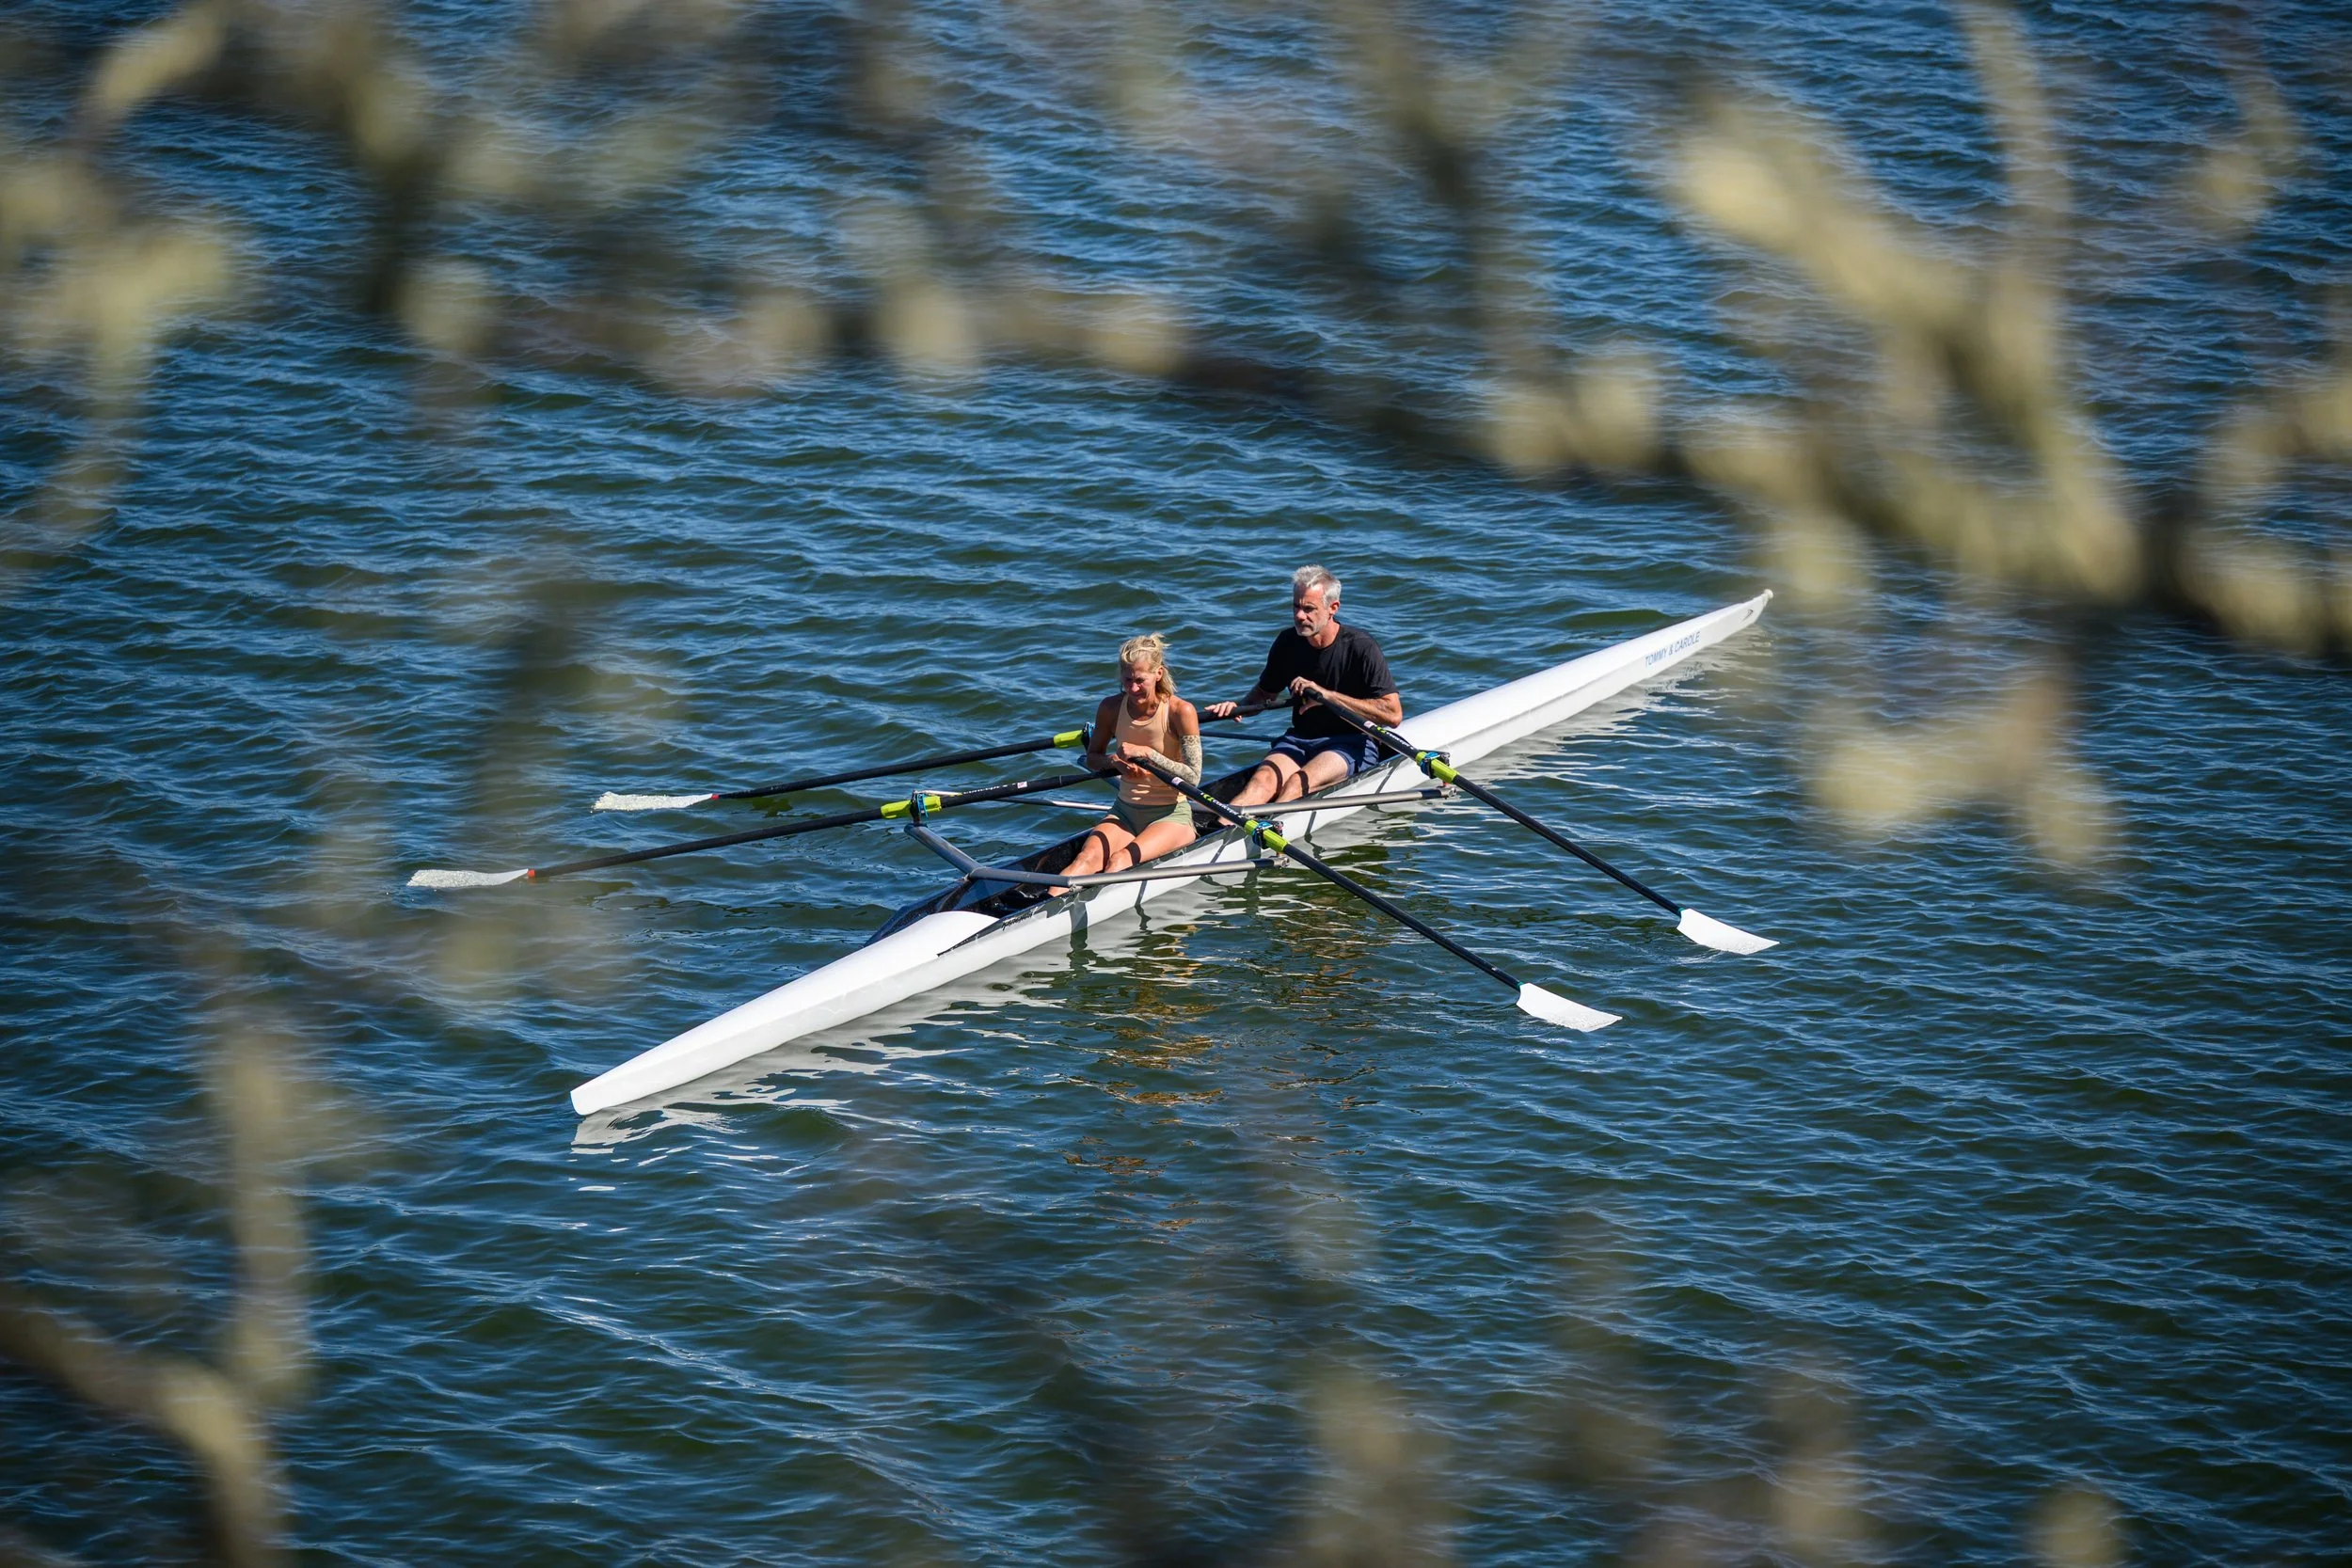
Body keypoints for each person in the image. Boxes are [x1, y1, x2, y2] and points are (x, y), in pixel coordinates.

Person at [1203, 565, 1402, 806]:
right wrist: (1236, 707)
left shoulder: (1361, 647)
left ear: (1333, 609)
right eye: (1296, 607)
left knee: (1297, 783)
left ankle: (1272, 831)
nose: (1299, 615)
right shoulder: (1287, 642)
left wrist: (1326, 696)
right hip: (1300, 739)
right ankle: (1224, 831)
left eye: (1309, 609)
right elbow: (1263, 695)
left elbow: (1393, 715)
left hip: (1351, 741)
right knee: (1261, 783)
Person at [1059, 633, 1203, 884]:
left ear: (1158, 674)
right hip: (1124, 811)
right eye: (1127, 680)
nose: (1133, 688)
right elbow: (1092, 757)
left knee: (1119, 861)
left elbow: (1193, 777)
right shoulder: (1110, 707)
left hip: (1170, 816)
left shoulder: (1182, 711)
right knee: (1083, 862)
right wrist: (1113, 762)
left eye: (1140, 680)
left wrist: (1149, 754)